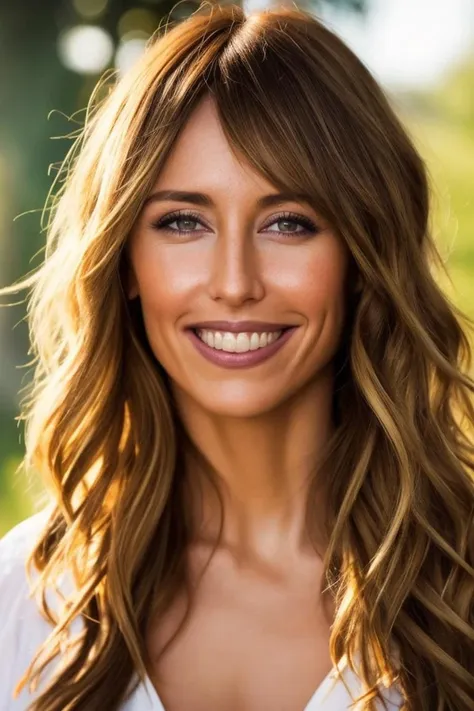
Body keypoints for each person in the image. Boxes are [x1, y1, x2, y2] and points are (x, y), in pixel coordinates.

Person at [0, 3, 473, 710]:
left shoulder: (458, 580)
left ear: (362, 256)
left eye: (289, 222)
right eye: (183, 221)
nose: (233, 282)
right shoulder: (21, 596)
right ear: (126, 261)